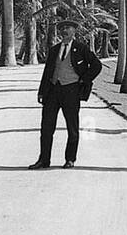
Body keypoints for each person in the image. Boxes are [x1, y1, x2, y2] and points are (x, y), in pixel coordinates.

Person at [29, 19, 103, 169]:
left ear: (74, 31)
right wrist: (41, 92)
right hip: (52, 91)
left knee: (72, 127)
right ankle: (44, 160)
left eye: (68, 28)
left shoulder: (81, 48)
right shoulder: (54, 49)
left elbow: (97, 65)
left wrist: (83, 80)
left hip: (71, 91)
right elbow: (47, 72)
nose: (65, 31)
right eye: (62, 28)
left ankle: (70, 159)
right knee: (46, 127)